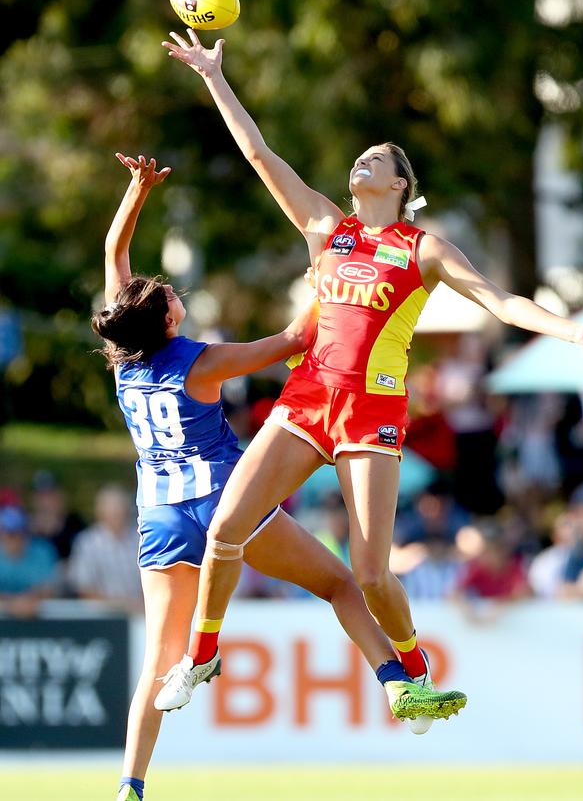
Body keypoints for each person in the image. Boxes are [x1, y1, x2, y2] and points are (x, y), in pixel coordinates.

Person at [155, 28, 583, 724]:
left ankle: (411, 667)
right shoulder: (327, 225)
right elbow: (259, 154)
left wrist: (574, 329)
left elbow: (500, 301)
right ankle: (201, 655)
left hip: (371, 413)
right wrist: (212, 76)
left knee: (372, 572)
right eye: (360, 156)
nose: (361, 160)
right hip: (308, 395)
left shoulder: (422, 248)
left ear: (400, 183)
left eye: (375, 158)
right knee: (226, 524)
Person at [93, 155, 460, 801]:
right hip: (218, 500)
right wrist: (338, 277)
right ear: (170, 321)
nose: (172, 291)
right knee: (344, 584)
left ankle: (131, 783)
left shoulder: (125, 358)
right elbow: (296, 338)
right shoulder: (200, 360)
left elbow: (113, 252)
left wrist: (135, 193)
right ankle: (396, 677)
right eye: (170, 294)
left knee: (157, 660)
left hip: (158, 516)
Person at [67, 483, 143, 613]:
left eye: (119, 509)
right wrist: (119, 605)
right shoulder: (87, 542)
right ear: (100, 511)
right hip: (99, 618)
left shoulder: (141, 539)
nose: (116, 514)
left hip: (140, 615)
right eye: (112, 510)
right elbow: (84, 588)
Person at [0, 504, 58, 618]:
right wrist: (12, 604)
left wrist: (25, 601)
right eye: (9, 533)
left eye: (18, 532)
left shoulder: (43, 551)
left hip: (39, 622)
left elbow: (48, 586)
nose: (14, 538)